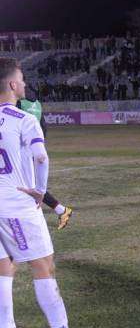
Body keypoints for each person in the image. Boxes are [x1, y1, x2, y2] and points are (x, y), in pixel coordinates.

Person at [0, 58, 96, 328]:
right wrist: (40, 192)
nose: (25, 84)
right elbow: (42, 158)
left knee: (4, 268)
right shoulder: (23, 119)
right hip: (16, 206)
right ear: (13, 85)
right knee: (44, 266)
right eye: (23, 80)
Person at [17, 91, 74, 229]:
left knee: (26, 185)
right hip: (32, 147)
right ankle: (61, 210)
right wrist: (38, 146)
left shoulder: (18, 102)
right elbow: (43, 126)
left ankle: (61, 210)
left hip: (21, 149)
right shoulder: (36, 103)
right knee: (28, 185)